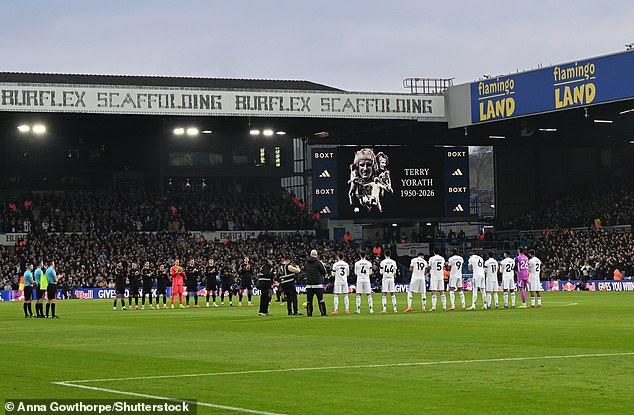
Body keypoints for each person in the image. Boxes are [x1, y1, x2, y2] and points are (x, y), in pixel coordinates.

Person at [304, 249, 327, 317]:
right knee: (320, 300)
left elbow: (305, 270)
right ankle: (323, 313)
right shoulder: (318, 262)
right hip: (317, 284)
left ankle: (309, 313)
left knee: (309, 301)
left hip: (309, 285)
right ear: (316, 255)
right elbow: (323, 271)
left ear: (310, 255)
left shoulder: (306, 263)